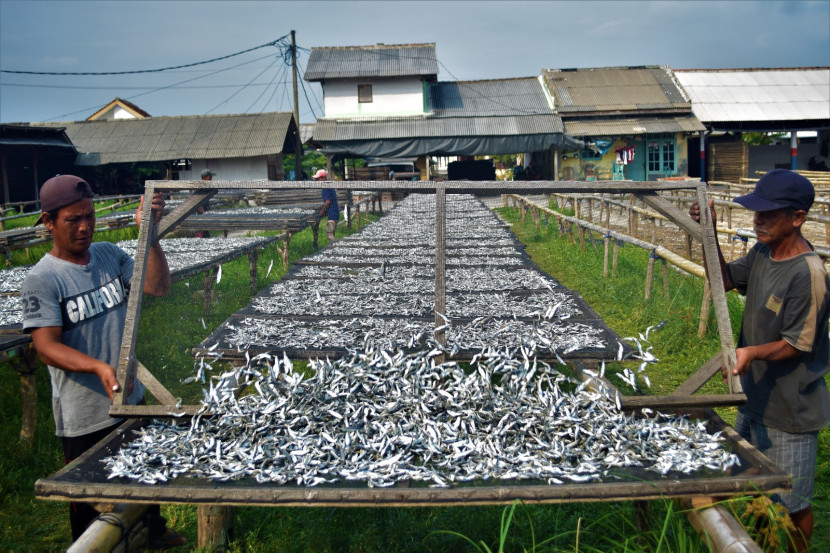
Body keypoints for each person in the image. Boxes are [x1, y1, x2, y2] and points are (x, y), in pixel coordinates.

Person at [21, 175, 185, 548]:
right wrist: (98, 366)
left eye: (90, 217)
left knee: (144, 479)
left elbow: (157, 287)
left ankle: (152, 534)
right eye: (73, 220)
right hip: (85, 416)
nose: (85, 227)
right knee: (94, 512)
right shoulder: (42, 280)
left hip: (131, 396)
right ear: (48, 221)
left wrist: (152, 233)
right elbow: (46, 346)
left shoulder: (110, 254)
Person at [690, 169, 830, 552]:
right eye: (756, 212)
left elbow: (798, 344)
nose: (758, 220)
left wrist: (751, 352)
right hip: (753, 397)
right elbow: (723, 280)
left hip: (791, 408)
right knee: (749, 483)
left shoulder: (809, 273)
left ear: (797, 217)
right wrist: (710, 232)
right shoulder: (763, 253)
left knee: (792, 501)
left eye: (769, 214)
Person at [314, 169, 339, 242]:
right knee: (332, 233)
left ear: (323, 178)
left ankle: (336, 247)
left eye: (318, 179)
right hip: (335, 213)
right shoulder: (330, 186)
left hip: (332, 214)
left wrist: (322, 211)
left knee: (329, 235)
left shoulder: (325, 188)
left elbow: (328, 202)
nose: (318, 180)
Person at [194, 169, 214, 238]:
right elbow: (196, 203)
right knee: (201, 234)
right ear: (204, 177)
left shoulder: (206, 188)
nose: (211, 179)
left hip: (204, 213)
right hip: (200, 215)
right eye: (210, 177)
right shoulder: (199, 188)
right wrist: (204, 212)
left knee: (206, 233)